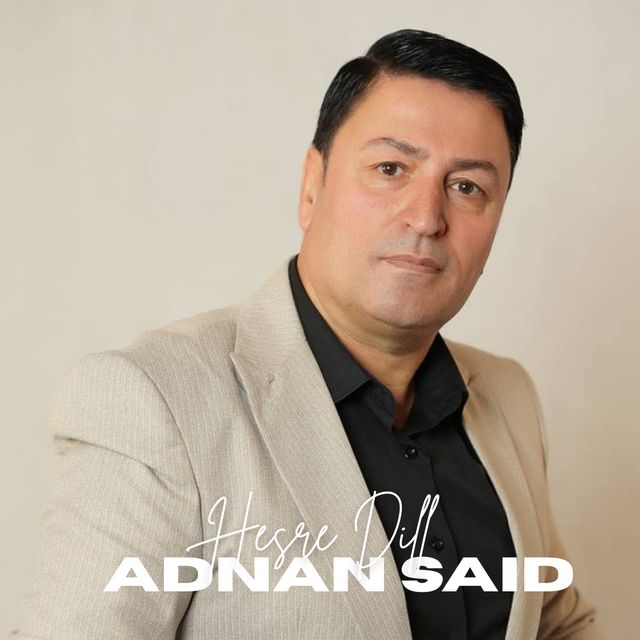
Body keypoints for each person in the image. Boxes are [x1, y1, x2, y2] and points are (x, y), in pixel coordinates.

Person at [13, 29, 603, 640]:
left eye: (467, 187)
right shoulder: (155, 400)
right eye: (391, 169)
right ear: (312, 186)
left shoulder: (507, 396)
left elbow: (557, 622)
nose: (427, 218)